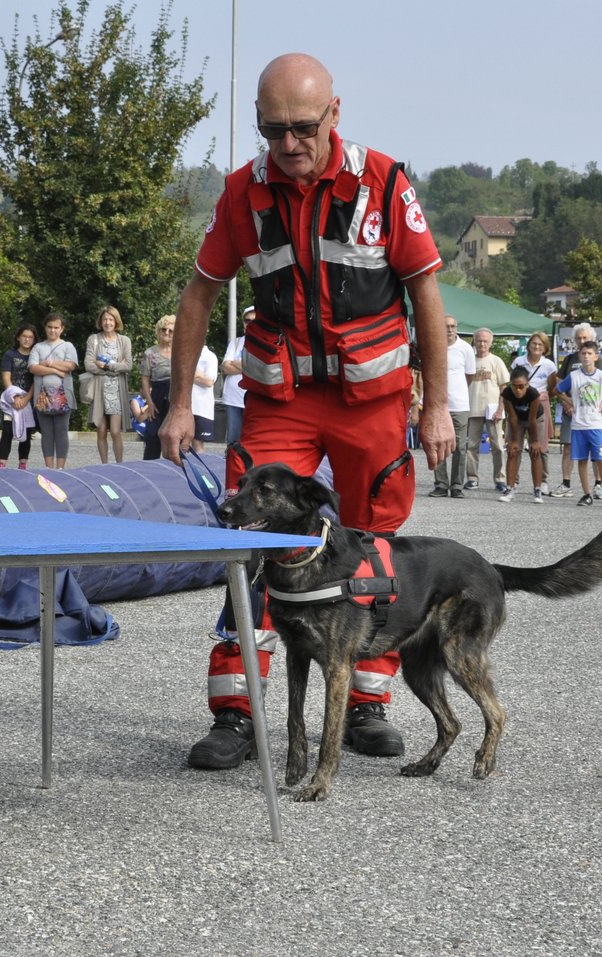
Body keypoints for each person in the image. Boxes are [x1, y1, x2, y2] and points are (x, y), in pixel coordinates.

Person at [158, 52, 452, 769]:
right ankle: (235, 709)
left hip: (369, 402)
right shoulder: (241, 195)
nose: (289, 144)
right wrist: (176, 405)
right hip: (281, 399)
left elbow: (427, 296)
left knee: (371, 544)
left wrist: (436, 405)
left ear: (335, 114)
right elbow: (197, 295)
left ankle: (365, 700)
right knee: (250, 541)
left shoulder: (384, 183)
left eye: (302, 128)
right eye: (273, 130)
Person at [553, 338, 602, 508]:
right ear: (579, 355)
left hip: (595, 425)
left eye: (589, 354)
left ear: (596, 357)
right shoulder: (574, 376)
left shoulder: (601, 376)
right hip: (578, 425)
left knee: (600, 460)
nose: (586, 357)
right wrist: (569, 401)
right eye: (583, 353)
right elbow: (557, 390)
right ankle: (586, 494)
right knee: (582, 460)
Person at [430, 314, 475, 497]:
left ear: (456, 328)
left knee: (460, 447)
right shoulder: (434, 347)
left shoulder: (465, 349)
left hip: (460, 405)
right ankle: (441, 484)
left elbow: (469, 376)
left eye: (452, 326)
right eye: (446, 326)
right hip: (439, 405)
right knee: (438, 444)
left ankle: (457, 485)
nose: (449, 330)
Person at [551, 322, 597, 498]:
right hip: (570, 411)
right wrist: (566, 402)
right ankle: (566, 483)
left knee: (594, 450)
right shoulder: (570, 359)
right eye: (579, 338)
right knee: (568, 447)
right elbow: (558, 382)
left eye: (585, 337)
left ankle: (598, 485)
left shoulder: (596, 359)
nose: (582, 340)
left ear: (591, 338)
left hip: (590, 412)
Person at [83, 305, 133, 464]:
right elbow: (88, 365)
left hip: (117, 392)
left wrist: (106, 366)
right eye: (105, 319)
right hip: (99, 391)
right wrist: (115, 367)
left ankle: (119, 464)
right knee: (101, 431)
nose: (108, 322)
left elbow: (128, 365)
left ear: (116, 321)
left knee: (116, 431)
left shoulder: (124, 340)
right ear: (101, 321)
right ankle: (104, 465)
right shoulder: (94, 339)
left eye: (111, 319)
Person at [29, 312, 78, 469]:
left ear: (62, 328)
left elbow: (70, 366)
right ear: (45, 328)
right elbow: (33, 368)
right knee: (46, 433)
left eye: (56, 327)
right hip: (41, 395)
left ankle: (60, 468)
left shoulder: (67, 346)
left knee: (61, 431)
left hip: (63, 394)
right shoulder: (38, 347)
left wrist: (48, 363)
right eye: (49, 327)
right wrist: (56, 370)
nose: (52, 330)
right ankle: (49, 468)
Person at [512, 330, 558, 492]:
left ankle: (542, 481)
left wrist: (541, 398)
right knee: (515, 444)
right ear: (529, 345)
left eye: (540, 344)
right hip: (520, 405)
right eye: (534, 343)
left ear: (545, 348)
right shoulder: (519, 361)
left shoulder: (549, 365)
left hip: (539, 405)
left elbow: (553, 388)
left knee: (540, 445)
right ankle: (513, 481)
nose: (536, 346)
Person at [466, 327, 510, 493]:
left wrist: (500, 409)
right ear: (475, 341)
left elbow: (504, 388)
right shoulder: (469, 360)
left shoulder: (496, 361)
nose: (482, 343)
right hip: (473, 408)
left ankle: (500, 479)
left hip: (493, 410)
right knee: (471, 446)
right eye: (479, 340)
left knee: (498, 446)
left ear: (490, 343)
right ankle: (472, 478)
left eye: (485, 341)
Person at [500, 364, 546, 502]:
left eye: (522, 386)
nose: (518, 390)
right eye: (515, 386)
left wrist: (535, 441)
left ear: (527, 384)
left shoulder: (533, 394)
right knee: (513, 451)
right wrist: (514, 440)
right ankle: (510, 488)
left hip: (535, 419)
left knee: (535, 451)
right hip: (517, 420)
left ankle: (537, 490)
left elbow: (532, 420)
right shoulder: (507, 393)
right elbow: (512, 418)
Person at [0, 324, 38, 469]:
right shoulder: (10, 354)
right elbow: (6, 377)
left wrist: (27, 399)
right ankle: (2, 464)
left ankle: (23, 464)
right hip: (11, 401)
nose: (27, 340)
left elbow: (37, 380)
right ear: (18, 338)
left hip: (28, 399)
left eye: (30, 337)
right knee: (7, 431)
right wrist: (14, 396)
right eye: (24, 336)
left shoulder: (36, 355)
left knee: (26, 433)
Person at [138, 315, 176, 462]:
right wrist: (150, 402)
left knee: (173, 434)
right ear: (158, 331)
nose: (166, 333)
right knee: (153, 434)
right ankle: (149, 467)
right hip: (157, 393)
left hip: (175, 393)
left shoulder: (180, 351)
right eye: (163, 329)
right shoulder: (150, 353)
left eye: (170, 331)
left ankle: (175, 468)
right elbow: (145, 379)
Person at [221, 306, 252, 447]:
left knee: (252, 440)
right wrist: (249, 366)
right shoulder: (236, 342)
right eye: (247, 321)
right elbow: (225, 367)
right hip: (233, 399)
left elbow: (263, 368)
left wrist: (237, 364)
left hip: (253, 399)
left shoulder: (265, 342)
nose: (249, 324)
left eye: (253, 321)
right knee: (233, 441)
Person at [189, 342, 218, 452]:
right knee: (179, 443)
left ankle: (200, 468)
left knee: (197, 444)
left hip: (201, 407)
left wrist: (188, 374)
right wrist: (197, 375)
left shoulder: (209, 356)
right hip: (184, 405)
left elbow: (208, 382)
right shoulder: (184, 354)